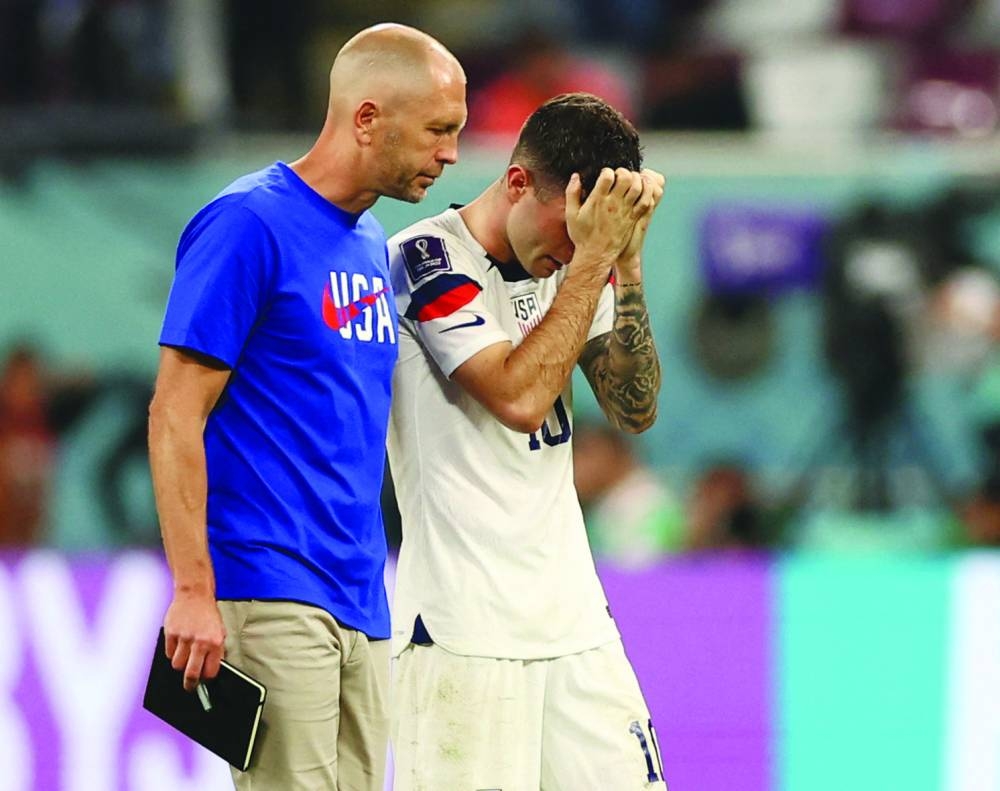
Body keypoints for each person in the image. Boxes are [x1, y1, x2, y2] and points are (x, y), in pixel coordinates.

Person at [147, 23, 466, 791]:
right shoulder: (246, 224)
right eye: (438, 129)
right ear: (367, 118)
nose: (451, 153)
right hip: (270, 586)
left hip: (361, 596)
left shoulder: (368, 242)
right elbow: (174, 412)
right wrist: (192, 588)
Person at [386, 93, 668, 790]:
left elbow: (634, 410)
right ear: (517, 183)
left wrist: (626, 265)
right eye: (567, 232)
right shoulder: (425, 259)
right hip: (462, 633)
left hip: (575, 622)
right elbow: (517, 397)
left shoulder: (575, 263)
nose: (571, 250)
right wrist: (591, 261)